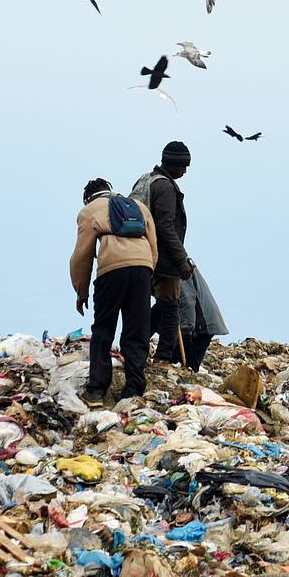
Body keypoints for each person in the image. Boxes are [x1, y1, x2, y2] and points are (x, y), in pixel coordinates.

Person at [69, 178, 158, 405]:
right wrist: (148, 274)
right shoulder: (137, 206)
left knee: (103, 328)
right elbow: (153, 245)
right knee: (136, 330)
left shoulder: (89, 211)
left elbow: (82, 255)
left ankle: (97, 391)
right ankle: (134, 388)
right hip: (142, 267)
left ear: (88, 197)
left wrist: (81, 290)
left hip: (112, 270)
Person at [131, 140, 193, 364]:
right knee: (170, 310)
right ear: (173, 164)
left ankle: (134, 347)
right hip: (164, 261)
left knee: (158, 306)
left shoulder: (146, 179)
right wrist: (181, 260)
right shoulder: (166, 187)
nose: (185, 171)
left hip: (142, 254)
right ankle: (163, 358)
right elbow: (165, 227)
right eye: (183, 166)